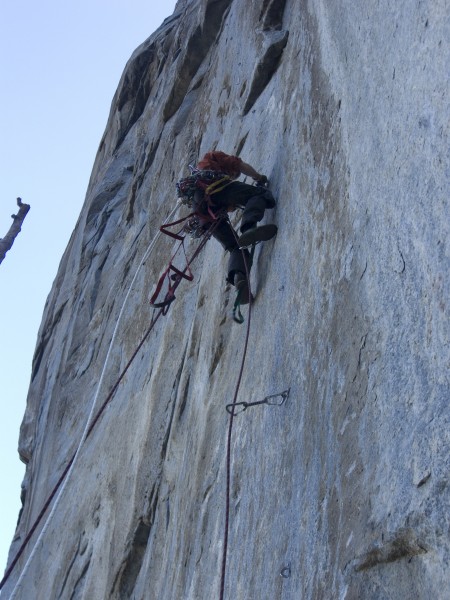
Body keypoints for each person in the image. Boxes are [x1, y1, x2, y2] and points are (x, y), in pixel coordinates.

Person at [191, 150, 277, 303]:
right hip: (213, 190)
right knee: (259, 194)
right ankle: (249, 229)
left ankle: (239, 279)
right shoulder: (215, 158)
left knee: (234, 247)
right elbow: (240, 165)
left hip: (202, 213)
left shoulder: (197, 176)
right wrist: (259, 177)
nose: (233, 178)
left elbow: (225, 204)